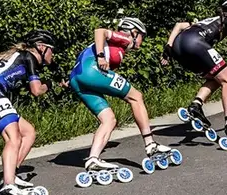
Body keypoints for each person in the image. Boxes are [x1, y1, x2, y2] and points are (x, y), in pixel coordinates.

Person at [67, 16, 176, 172]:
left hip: (77, 79)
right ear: (134, 32)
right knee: (136, 97)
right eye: (141, 37)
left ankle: (93, 159)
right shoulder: (125, 38)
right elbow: (100, 31)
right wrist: (100, 56)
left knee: (109, 119)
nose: (141, 42)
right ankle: (151, 144)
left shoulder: (115, 49)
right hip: (91, 71)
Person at [0, 30, 54, 195]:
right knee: (13, 138)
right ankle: (8, 184)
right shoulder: (28, 57)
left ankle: (12, 176)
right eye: (51, 49)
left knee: (28, 132)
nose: (53, 54)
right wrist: (49, 85)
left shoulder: (16, 56)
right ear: (41, 47)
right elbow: (36, 91)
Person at [163, 0, 227, 142]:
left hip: (178, 47)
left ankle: (196, 105)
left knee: (215, 77)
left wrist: (168, 46)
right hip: (195, 43)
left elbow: (179, 25)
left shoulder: (210, 20)